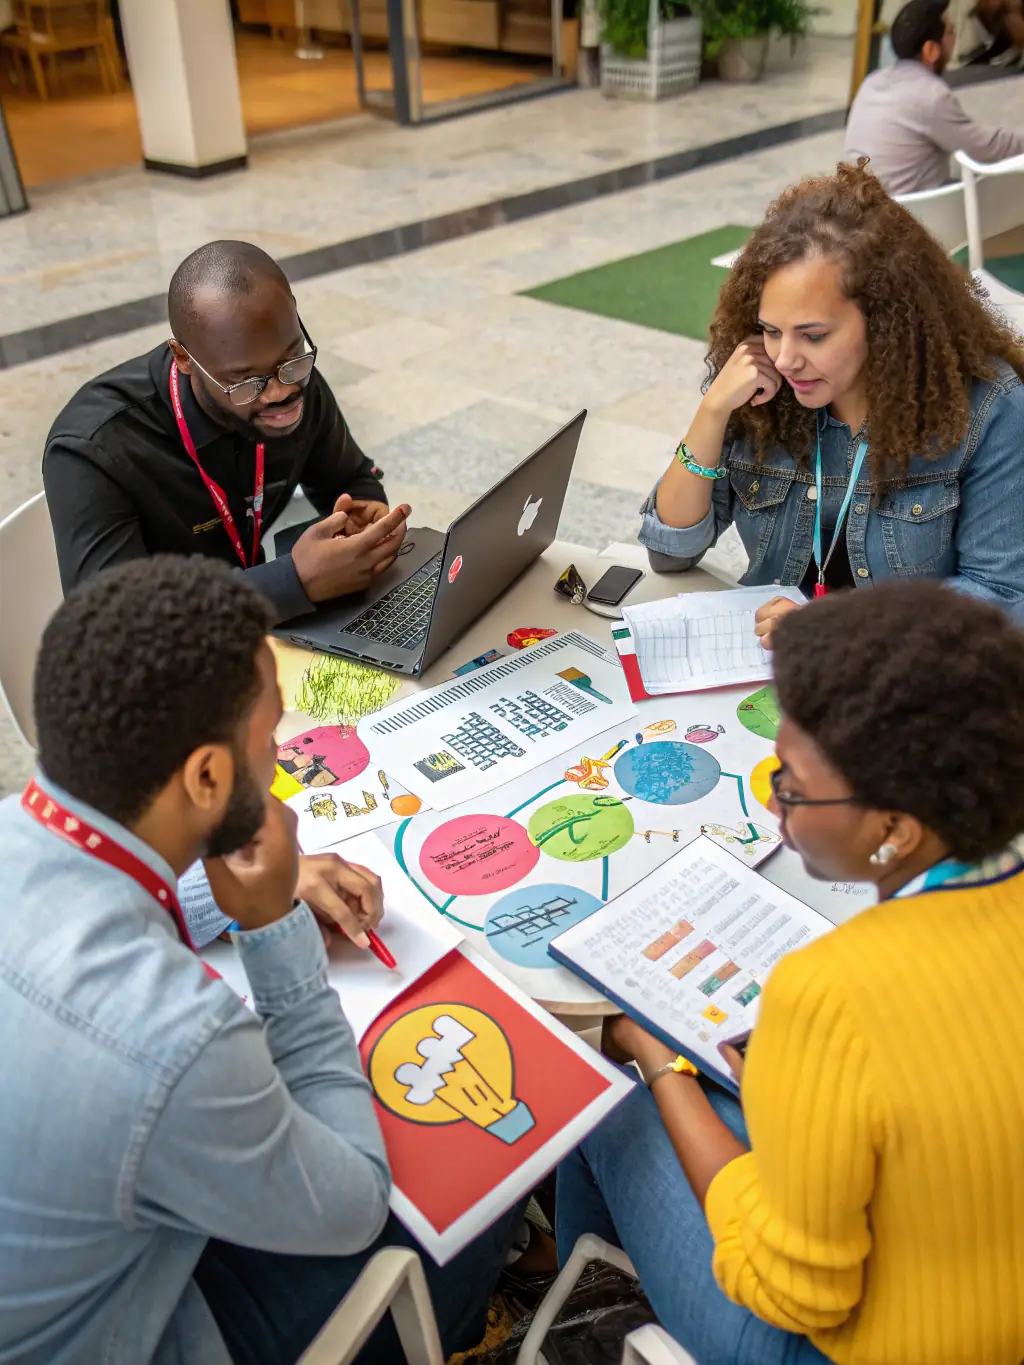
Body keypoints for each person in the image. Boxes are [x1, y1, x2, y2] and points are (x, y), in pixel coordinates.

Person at [0, 556, 518, 1365]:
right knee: (476, 1201)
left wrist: (247, 890)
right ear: (207, 774)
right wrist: (273, 924)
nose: (282, 754)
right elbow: (352, 1202)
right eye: (271, 734)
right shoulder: (174, 1037)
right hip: (127, 1329)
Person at [557, 579, 1024, 1365]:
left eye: (793, 787)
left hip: (856, 1342)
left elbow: (792, 1290)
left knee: (600, 1090)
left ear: (895, 828)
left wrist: (657, 1055)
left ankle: (580, 1301)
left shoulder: (834, 991)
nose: (775, 801)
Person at [638, 160, 1024, 647]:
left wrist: (843, 627)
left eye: (814, 336)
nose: (785, 358)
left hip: (915, 674)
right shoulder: (763, 390)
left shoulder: (990, 409)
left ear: (886, 324)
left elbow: (1004, 599)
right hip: (774, 667)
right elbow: (670, 552)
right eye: (771, 330)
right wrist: (713, 412)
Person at [43, 240, 410, 626]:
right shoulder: (96, 447)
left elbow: (348, 480)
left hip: (261, 635)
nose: (281, 393)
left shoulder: (293, 378)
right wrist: (293, 582)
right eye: (247, 382)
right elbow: (111, 626)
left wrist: (365, 526)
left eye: (292, 357)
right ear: (184, 358)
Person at [843, 0, 1024, 194]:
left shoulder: (871, 83)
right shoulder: (930, 95)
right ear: (931, 50)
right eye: (950, 32)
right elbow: (988, 149)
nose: (953, 39)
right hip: (910, 213)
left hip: (858, 208)